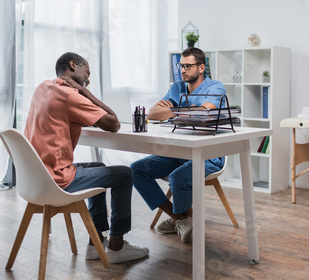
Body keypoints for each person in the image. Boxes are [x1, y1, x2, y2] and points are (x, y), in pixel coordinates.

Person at [24, 52, 149, 263]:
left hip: (36, 178)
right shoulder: (69, 94)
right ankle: (117, 246)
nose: (88, 80)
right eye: (87, 73)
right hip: (57, 180)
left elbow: (63, 117)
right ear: (73, 65)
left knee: (98, 166)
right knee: (125, 174)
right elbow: (113, 124)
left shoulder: (43, 88)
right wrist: (83, 91)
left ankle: (96, 242)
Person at [130, 47, 226, 243]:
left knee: (177, 177)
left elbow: (203, 112)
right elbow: (152, 113)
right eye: (181, 66)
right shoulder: (177, 87)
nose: (182, 70)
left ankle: (181, 218)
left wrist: (173, 109)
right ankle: (180, 218)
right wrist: (184, 110)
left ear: (201, 68)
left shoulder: (215, 87)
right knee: (135, 170)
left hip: (208, 154)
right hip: (177, 151)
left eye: (188, 66)